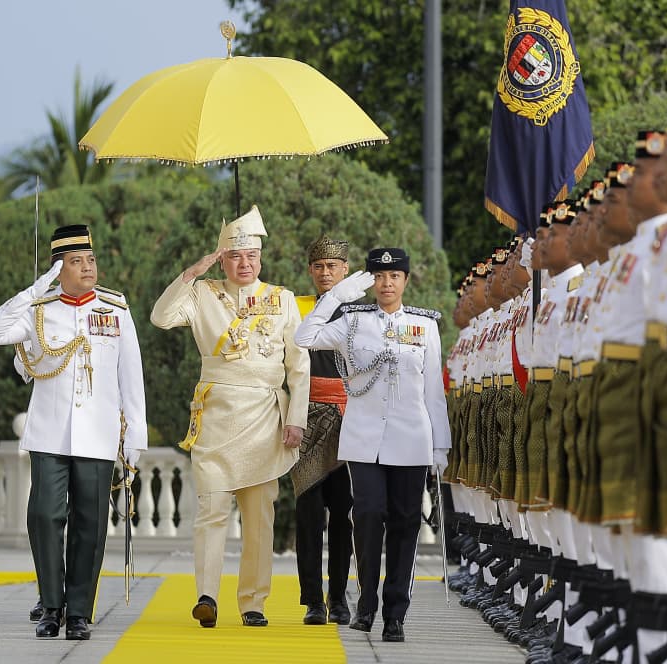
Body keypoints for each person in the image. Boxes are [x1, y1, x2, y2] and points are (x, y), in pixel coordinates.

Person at [0, 224, 148, 640]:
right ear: (59, 268)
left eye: (90, 259)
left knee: (91, 523)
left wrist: (136, 436)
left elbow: (132, 376)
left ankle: (77, 611)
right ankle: (50, 605)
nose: (88, 267)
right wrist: (34, 290)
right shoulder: (40, 310)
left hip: (98, 434)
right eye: (77, 262)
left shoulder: (116, 310)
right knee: (43, 515)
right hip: (49, 434)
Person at [149, 206, 310, 629]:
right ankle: (206, 595)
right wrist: (190, 274)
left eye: (251, 256)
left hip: (264, 418)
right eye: (235, 256)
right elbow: (161, 317)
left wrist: (297, 417)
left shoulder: (283, 299)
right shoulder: (202, 293)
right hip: (217, 416)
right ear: (222, 259)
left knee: (260, 517)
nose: (245, 264)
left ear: (260, 258)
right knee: (212, 510)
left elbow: (299, 365)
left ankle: (253, 602)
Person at [294, 247, 452, 643]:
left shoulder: (424, 327)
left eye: (394, 277)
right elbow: (304, 337)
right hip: (363, 440)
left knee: (404, 523)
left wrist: (440, 447)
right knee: (366, 517)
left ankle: (395, 612)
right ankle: (366, 604)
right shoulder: (352, 321)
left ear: (405, 281)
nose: (385, 284)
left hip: (411, 440)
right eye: (379, 277)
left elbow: (434, 391)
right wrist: (335, 298)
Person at [291, 235, 354, 626]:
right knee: (309, 514)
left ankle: (340, 596)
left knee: (344, 514)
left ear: (345, 270)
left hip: (350, 418)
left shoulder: (361, 313)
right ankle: (313, 599)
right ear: (311, 270)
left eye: (333, 266)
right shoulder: (296, 309)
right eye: (319, 266)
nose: (326, 272)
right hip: (307, 417)